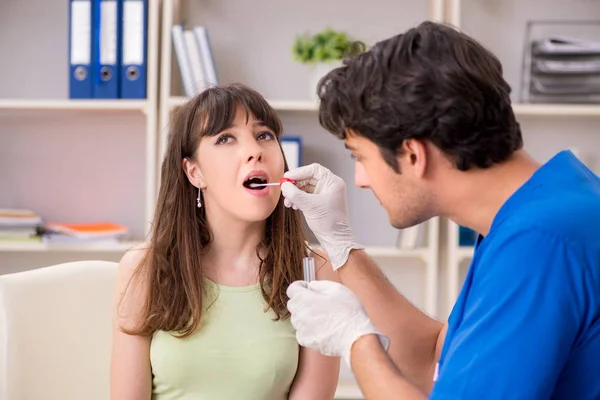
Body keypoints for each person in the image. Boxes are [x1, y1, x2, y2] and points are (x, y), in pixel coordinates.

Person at [281, 21, 600, 400]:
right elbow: (433, 358)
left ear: (414, 155)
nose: (361, 180)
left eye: (361, 158)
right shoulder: (547, 203)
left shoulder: (539, 243)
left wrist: (355, 341)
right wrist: (340, 243)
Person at [110, 84, 340, 400]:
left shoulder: (316, 270)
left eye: (264, 135)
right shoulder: (143, 268)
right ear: (194, 173)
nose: (255, 150)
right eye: (225, 138)